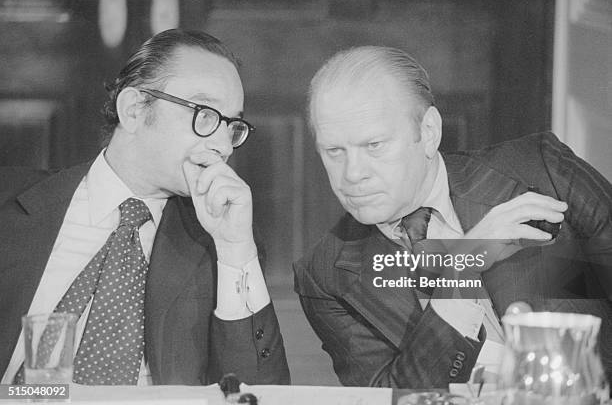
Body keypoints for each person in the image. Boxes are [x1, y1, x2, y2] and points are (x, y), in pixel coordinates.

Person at [294, 45, 612, 388]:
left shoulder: (542, 172)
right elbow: (389, 397)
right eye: (334, 151)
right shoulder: (326, 275)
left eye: (374, 145)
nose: (352, 173)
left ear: (428, 132)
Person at [0, 29, 290, 385]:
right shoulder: (9, 200)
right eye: (207, 115)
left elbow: (259, 393)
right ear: (134, 110)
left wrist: (235, 249)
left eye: (232, 126)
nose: (223, 146)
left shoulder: (219, 243)